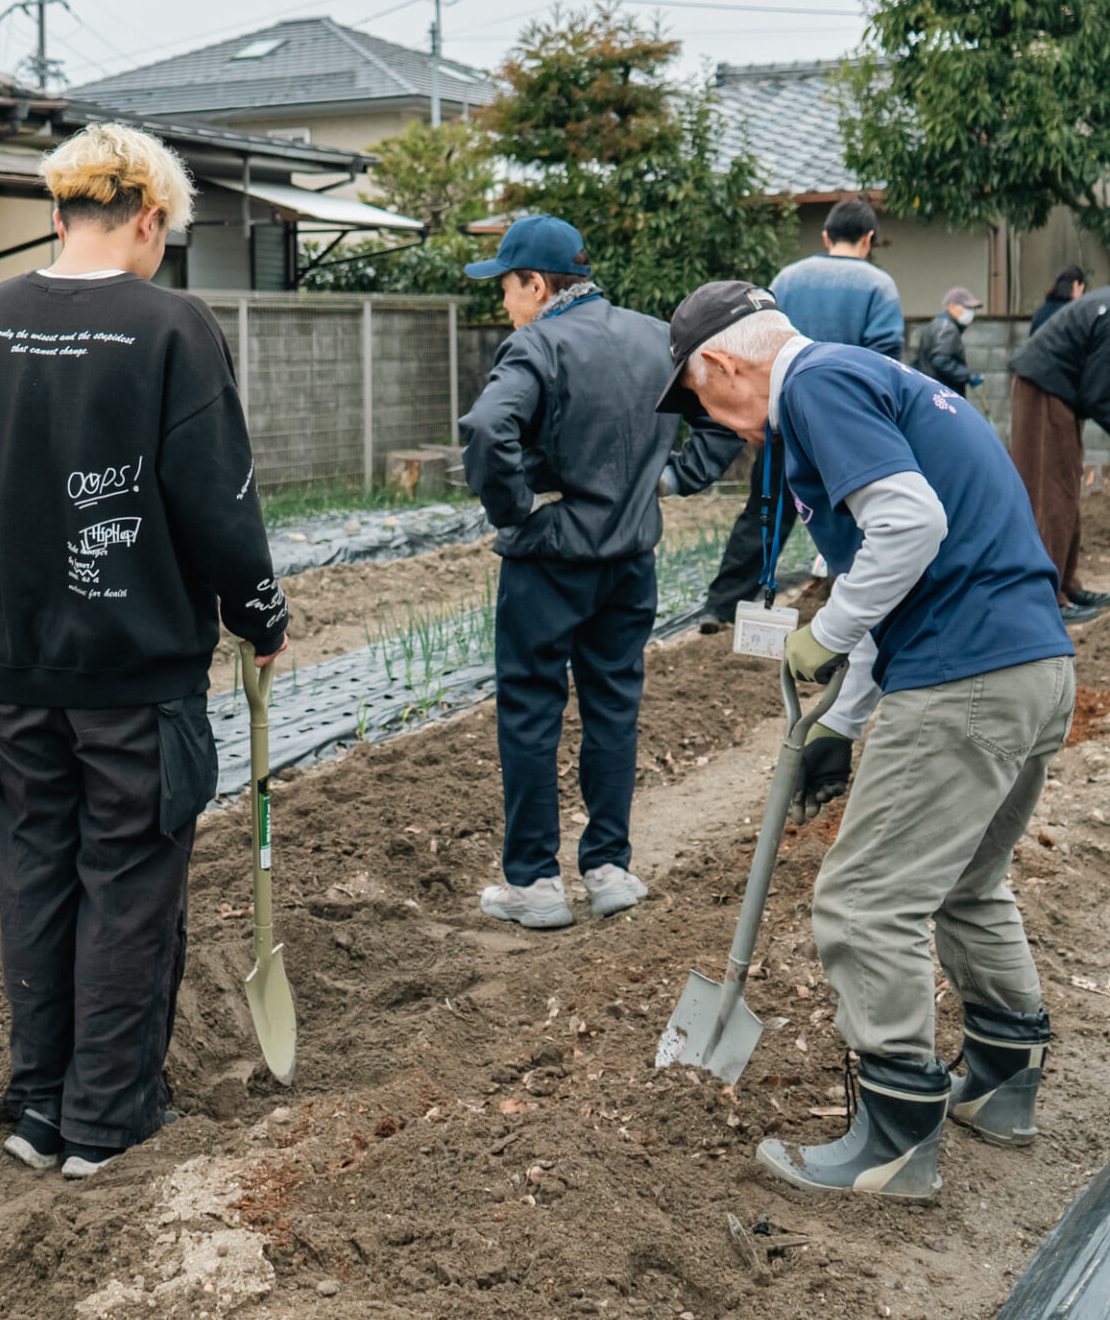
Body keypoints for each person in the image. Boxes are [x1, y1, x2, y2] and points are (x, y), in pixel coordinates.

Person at [0, 122, 289, 1179]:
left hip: (15, 683)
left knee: (37, 878)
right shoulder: (171, 330)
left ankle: (38, 1107)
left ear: (59, 215)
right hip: (137, 684)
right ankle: (106, 1123)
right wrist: (261, 616)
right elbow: (220, 503)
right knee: (127, 882)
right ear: (149, 218)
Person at [656, 282, 1074, 1199]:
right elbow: (901, 579)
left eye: (703, 404)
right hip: (1032, 670)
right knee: (966, 883)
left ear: (722, 363)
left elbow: (909, 528)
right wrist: (839, 726)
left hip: (964, 682)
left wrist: (825, 633)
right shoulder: (875, 379)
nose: (723, 431)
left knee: (861, 901)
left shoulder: (813, 385)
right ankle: (1001, 1087)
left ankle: (892, 1141)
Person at [458, 215, 679, 929]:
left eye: (507, 286)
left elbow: (487, 428)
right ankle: (608, 868)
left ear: (536, 282)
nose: (503, 303)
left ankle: (534, 883)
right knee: (613, 706)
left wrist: (515, 509)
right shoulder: (655, 336)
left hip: (551, 560)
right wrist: (670, 479)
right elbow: (714, 418)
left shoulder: (537, 344)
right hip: (629, 559)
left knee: (530, 713)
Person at [693, 197, 903, 637]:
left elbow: (762, 339)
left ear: (826, 237)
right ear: (868, 239)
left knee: (764, 511)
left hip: (780, 414)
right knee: (856, 514)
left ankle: (721, 606)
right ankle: (863, 611)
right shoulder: (879, 285)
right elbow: (881, 358)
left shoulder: (788, 278)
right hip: (844, 423)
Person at [1009, 286, 1110, 623]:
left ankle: (1066, 584)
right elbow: (1098, 393)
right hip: (1045, 388)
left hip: (1059, 392)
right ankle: (1046, 597)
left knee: (1066, 491)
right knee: (1050, 495)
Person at [912, 286, 984, 393]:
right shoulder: (948, 329)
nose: (971, 313)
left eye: (972, 309)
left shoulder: (935, 324)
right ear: (952, 307)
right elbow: (941, 361)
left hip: (930, 390)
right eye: (966, 308)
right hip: (943, 391)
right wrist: (969, 376)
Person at [1030, 264, 1087, 334]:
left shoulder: (1040, 312)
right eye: (1082, 291)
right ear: (1075, 285)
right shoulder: (1073, 314)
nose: (1082, 296)